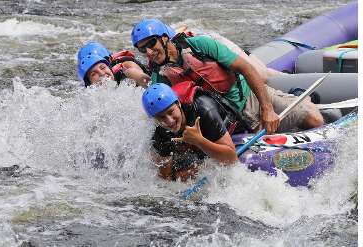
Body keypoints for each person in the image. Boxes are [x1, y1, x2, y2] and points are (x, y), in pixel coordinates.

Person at [131, 18, 324, 134]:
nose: (148, 52)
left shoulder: (200, 45)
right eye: (142, 49)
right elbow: (170, 116)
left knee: (314, 120)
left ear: (165, 38)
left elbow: (247, 69)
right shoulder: (160, 77)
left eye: (152, 44)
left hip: (250, 100)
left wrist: (267, 109)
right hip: (220, 122)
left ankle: (296, 97)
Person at [143, 83, 252, 181]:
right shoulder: (159, 131)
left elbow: (232, 160)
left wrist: (199, 141)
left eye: (171, 112)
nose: (169, 121)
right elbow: (165, 177)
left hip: (235, 131)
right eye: (161, 117)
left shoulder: (203, 109)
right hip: (199, 149)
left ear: (178, 104)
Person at [77, 41, 150, 88]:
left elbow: (131, 71)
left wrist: (141, 78)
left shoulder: (123, 68)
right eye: (93, 74)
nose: (102, 73)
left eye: (102, 67)